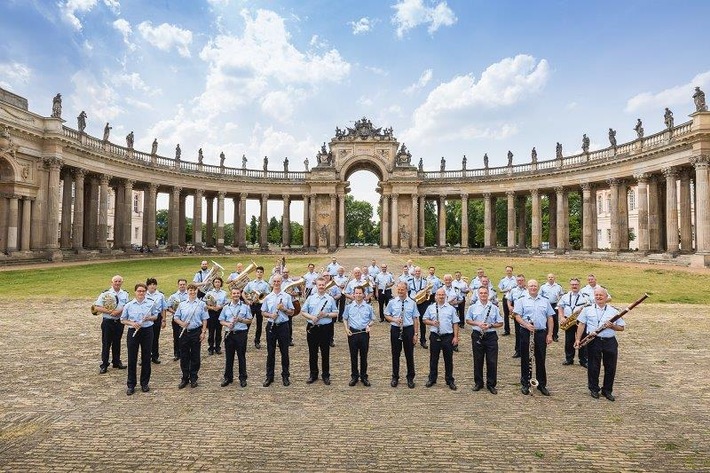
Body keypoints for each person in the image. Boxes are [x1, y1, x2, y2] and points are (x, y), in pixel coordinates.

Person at [575, 287, 625, 401]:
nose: (598, 297)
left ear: (606, 297)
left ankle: (607, 390)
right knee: (593, 366)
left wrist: (612, 326)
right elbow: (581, 325)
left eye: (601, 295)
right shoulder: (587, 310)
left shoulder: (613, 311)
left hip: (610, 341)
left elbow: (621, 328)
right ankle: (594, 389)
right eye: (596, 295)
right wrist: (578, 339)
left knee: (610, 367)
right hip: (594, 340)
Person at [513, 279, 555, 396]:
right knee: (526, 358)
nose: (533, 288)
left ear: (538, 287)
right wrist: (526, 325)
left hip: (541, 333)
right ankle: (525, 383)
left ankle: (542, 385)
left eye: (535, 286)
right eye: (531, 286)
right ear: (527, 287)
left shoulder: (545, 301)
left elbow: (550, 318)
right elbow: (517, 316)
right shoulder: (521, 300)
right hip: (526, 332)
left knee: (541, 359)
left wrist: (550, 334)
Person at [120, 283, 158, 395]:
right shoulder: (129, 305)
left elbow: (156, 316)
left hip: (147, 331)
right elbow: (123, 319)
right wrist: (132, 323)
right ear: (135, 292)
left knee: (146, 357)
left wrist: (149, 318)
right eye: (139, 291)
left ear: (146, 292)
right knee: (132, 358)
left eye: (143, 291)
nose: (141, 293)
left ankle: (144, 383)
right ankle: (131, 384)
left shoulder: (151, 303)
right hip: (133, 331)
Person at [467, 286, 504, 394]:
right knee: (478, 360)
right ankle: (478, 383)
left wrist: (490, 325)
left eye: (485, 293)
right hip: (477, 334)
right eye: (481, 293)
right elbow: (468, 320)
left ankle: (491, 384)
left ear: (488, 295)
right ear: (478, 294)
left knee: (492, 361)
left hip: (491, 336)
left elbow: (500, 323)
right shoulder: (472, 307)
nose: (483, 295)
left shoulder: (494, 308)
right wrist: (478, 323)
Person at [302, 277, 338, 385]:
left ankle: (326, 375)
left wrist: (326, 314)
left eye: (323, 285)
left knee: (325, 352)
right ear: (316, 286)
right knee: (312, 353)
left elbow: (336, 313)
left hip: (325, 329)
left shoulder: (330, 299)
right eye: (319, 285)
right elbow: (303, 311)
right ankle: (313, 375)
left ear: (325, 285)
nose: (321, 287)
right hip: (312, 327)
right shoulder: (310, 298)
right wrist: (311, 317)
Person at [261, 274, 295, 387]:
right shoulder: (268, 297)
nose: (276, 283)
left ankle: (285, 376)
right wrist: (271, 315)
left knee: (284, 352)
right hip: (271, 325)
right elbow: (263, 312)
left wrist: (284, 309)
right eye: (274, 281)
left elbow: (292, 312)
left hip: (283, 326)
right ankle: (269, 377)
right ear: (272, 283)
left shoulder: (286, 297)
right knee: (270, 353)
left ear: (281, 282)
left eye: (278, 281)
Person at [172, 283, 209, 389]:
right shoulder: (182, 304)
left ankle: (194, 378)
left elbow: (205, 319)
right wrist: (182, 323)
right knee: (184, 356)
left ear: (197, 291)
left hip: (196, 331)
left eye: (194, 290)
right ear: (187, 292)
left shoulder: (201, 304)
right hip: (184, 332)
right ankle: (185, 377)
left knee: (195, 356)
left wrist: (203, 332)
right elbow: (176, 317)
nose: (192, 292)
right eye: (190, 290)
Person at [384, 281, 419, 388]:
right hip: (395, 329)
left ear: (406, 290)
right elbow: (386, 314)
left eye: (402, 289)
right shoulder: (392, 302)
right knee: (395, 354)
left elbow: (415, 318)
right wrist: (394, 319)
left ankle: (410, 378)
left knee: (409, 354)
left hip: (408, 330)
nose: (400, 291)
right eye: (398, 289)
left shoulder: (412, 302)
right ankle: (395, 377)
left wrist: (416, 334)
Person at [423, 288, 459, 390]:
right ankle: (432, 378)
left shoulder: (451, 309)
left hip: (447, 336)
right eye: (439, 295)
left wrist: (456, 337)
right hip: (435, 335)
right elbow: (424, 319)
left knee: (448, 359)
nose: (441, 296)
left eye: (443, 295)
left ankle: (449, 380)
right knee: (433, 359)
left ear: (445, 296)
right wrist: (432, 323)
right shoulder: (430, 308)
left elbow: (455, 323)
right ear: (436, 296)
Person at [94, 275, 129, 374]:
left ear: (122, 282)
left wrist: (118, 312)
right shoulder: (106, 294)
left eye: (119, 281)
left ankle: (116, 362)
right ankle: (104, 364)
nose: (117, 283)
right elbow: (97, 307)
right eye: (115, 281)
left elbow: (127, 305)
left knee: (117, 342)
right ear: (112, 282)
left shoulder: (125, 294)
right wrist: (110, 311)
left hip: (119, 321)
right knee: (106, 343)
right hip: (108, 322)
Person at [219, 287, 252, 388]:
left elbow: (250, 320)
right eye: (234, 293)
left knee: (241, 356)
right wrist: (228, 324)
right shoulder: (226, 307)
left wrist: (241, 320)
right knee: (229, 357)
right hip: (229, 334)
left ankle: (243, 378)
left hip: (241, 333)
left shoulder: (245, 307)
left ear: (240, 294)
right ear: (231, 295)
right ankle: (228, 378)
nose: (236, 295)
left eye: (238, 293)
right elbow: (221, 320)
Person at [343, 286, 375, 386]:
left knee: (364, 356)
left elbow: (372, 319)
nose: (358, 295)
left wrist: (369, 325)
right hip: (352, 333)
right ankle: (354, 377)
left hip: (364, 333)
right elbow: (345, 318)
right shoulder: (349, 306)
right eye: (356, 293)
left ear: (363, 294)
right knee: (353, 356)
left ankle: (364, 377)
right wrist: (346, 329)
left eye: (360, 293)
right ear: (353, 294)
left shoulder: (368, 307)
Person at [558, 277, 591, 367]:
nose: (574, 286)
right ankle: (569, 359)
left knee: (583, 339)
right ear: (570, 285)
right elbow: (560, 306)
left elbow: (589, 307)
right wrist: (561, 317)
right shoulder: (565, 296)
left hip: (581, 321)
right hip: (569, 320)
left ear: (579, 285)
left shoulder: (585, 297)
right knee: (569, 340)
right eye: (572, 284)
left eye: (576, 284)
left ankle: (583, 360)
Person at [244, 266, 270, 349]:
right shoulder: (251, 283)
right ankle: (244, 340)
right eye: (258, 272)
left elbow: (267, 295)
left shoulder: (265, 284)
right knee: (247, 323)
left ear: (263, 273)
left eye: (261, 272)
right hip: (251, 305)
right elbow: (243, 293)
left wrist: (261, 299)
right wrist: (247, 301)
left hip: (259, 305)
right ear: (255, 273)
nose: (259, 273)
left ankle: (257, 341)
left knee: (259, 324)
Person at [145, 278, 167, 364]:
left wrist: (164, 320)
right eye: (150, 284)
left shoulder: (160, 295)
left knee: (155, 338)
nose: (152, 286)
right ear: (147, 286)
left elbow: (163, 309)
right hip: (147, 317)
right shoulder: (144, 294)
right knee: (146, 338)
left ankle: (155, 356)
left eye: (154, 284)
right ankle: (145, 357)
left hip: (157, 317)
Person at [204, 277, 228, 355]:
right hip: (211, 313)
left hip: (220, 312)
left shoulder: (224, 293)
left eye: (219, 282)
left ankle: (217, 347)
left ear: (221, 283)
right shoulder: (209, 293)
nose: (217, 283)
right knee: (211, 332)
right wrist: (211, 307)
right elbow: (204, 304)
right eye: (216, 282)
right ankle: (210, 348)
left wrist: (220, 307)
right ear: (213, 284)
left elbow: (226, 303)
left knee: (218, 331)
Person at [408, 266, 431, 349]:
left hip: (422, 303)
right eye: (416, 271)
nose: (417, 273)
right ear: (414, 272)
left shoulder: (425, 281)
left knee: (422, 321)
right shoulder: (409, 281)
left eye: (419, 271)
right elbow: (408, 291)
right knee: (411, 321)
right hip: (413, 302)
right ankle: (412, 339)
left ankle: (423, 340)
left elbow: (428, 291)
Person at [166, 279, 189, 361]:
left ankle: (185, 353)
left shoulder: (190, 295)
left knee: (186, 337)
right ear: (178, 285)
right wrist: (175, 312)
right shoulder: (173, 296)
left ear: (186, 285)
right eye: (180, 284)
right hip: (176, 319)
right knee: (176, 336)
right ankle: (177, 353)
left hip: (187, 319)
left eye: (184, 284)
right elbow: (168, 307)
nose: (182, 286)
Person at [440, 274, 463, 351]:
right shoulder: (441, 289)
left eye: (449, 280)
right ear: (444, 281)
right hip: (443, 310)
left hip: (453, 309)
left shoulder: (456, 289)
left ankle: (455, 343)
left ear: (452, 280)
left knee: (454, 325)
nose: (448, 281)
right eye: (446, 280)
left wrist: (456, 303)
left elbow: (461, 299)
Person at [508, 274, 528, 358]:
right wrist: (509, 306)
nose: (520, 282)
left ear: (524, 281)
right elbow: (509, 299)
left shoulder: (528, 290)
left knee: (526, 333)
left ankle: (526, 351)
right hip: (517, 314)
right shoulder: (513, 290)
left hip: (527, 315)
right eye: (518, 280)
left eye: (521, 280)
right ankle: (518, 351)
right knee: (518, 332)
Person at [280, 268, 301, 346]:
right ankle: (281, 340)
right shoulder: (280, 282)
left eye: (286, 272)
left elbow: (298, 293)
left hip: (289, 304)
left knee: (289, 323)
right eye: (284, 272)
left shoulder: (292, 282)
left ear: (288, 273)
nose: (285, 273)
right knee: (281, 322)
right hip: (281, 304)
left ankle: (289, 339)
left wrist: (293, 294)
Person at [540, 273, 563, 341]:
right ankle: (547, 334)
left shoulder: (558, 286)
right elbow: (540, 295)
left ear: (554, 278)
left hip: (555, 304)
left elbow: (562, 295)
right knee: (546, 319)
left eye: (552, 277)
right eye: (549, 277)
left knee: (555, 320)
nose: (550, 278)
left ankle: (555, 335)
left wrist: (559, 302)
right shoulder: (543, 286)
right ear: (547, 278)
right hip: (546, 305)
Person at [498, 266, 516, 336]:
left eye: (510, 270)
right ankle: (507, 330)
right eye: (507, 271)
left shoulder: (515, 279)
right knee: (506, 314)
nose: (509, 272)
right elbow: (500, 290)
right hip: (506, 297)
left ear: (512, 271)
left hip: (514, 299)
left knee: (515, 314)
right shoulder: (503, 280)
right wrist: (507, 290)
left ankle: (517, 330)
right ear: (506, 271)